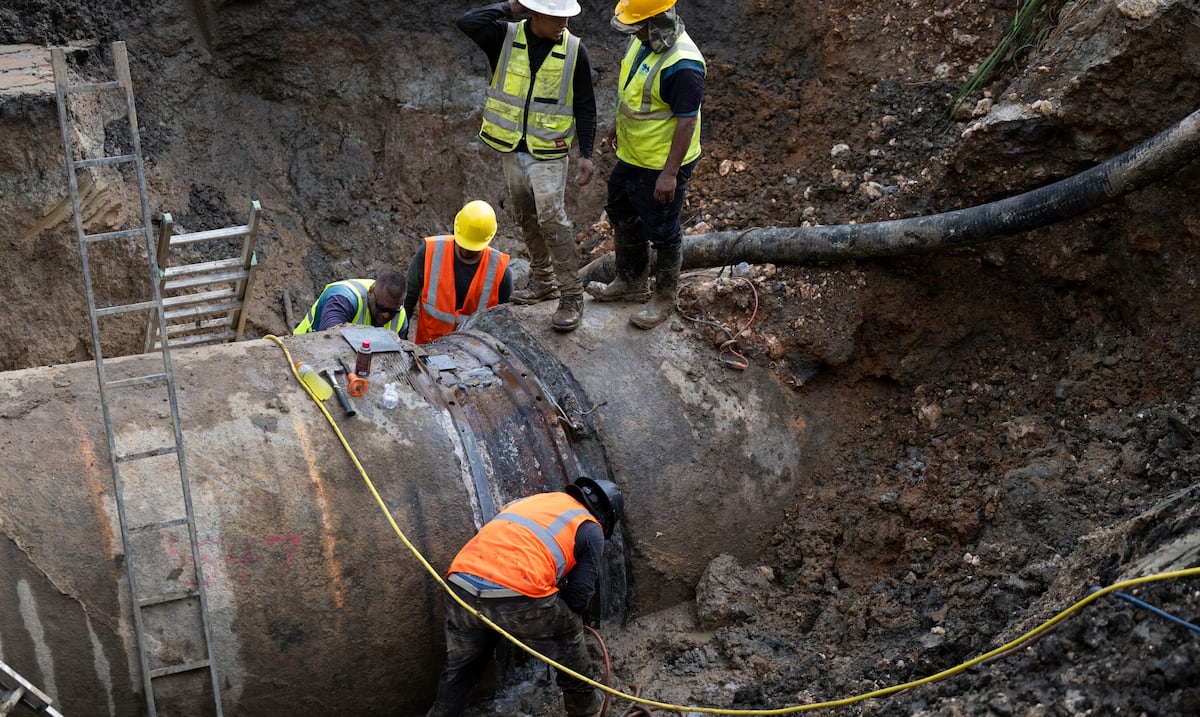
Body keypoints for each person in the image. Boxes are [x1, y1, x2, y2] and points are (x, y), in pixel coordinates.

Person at [426, 476, 624, 717]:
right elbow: (579, 599)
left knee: (460, 667)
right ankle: (586, 708)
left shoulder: (533, 501)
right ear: (606, 516)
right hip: (517, 593)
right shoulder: (590, 526)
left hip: (460, 584)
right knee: (569, 628)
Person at [458, 0, 598, 333]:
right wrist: (513, 6)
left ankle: (570, 296)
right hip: (512, 148)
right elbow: (467, 21)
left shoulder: (575, 50)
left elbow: (585, 106)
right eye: (556, 14)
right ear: (534, 12)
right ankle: (543, 280)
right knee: (525, 216)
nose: (564, 21)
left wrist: (587, 154)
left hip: (549, 152)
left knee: (552, 219)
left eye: (567, 14)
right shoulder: (504, 38)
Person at [587, 0, 706, 329]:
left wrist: (669, 174)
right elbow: (634, 92)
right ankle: (630, 281)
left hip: (661, 164)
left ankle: (664, 297)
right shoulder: (644, 40)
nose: (633, 32)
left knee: (664, 229)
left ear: (656, 21)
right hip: (634, 155)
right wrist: (617, 126)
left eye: (637, 26)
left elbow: (686, 123)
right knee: (622, 209)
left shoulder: (683, 65)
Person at [404, 200, 514, 344]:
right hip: (427, 350)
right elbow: (407, 298)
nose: (466, 250)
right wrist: (401, 338)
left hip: (473, 356)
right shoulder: (430, 252)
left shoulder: (500, 271)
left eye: (472, 248)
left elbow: (505, 322)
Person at [292, 271, 407, 335]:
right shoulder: (343, 298)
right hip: (302, 354)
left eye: (392, 311)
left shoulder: (400, 316)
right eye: (381, 307)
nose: (386, 315)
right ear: (371, 292)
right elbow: (328, 338)